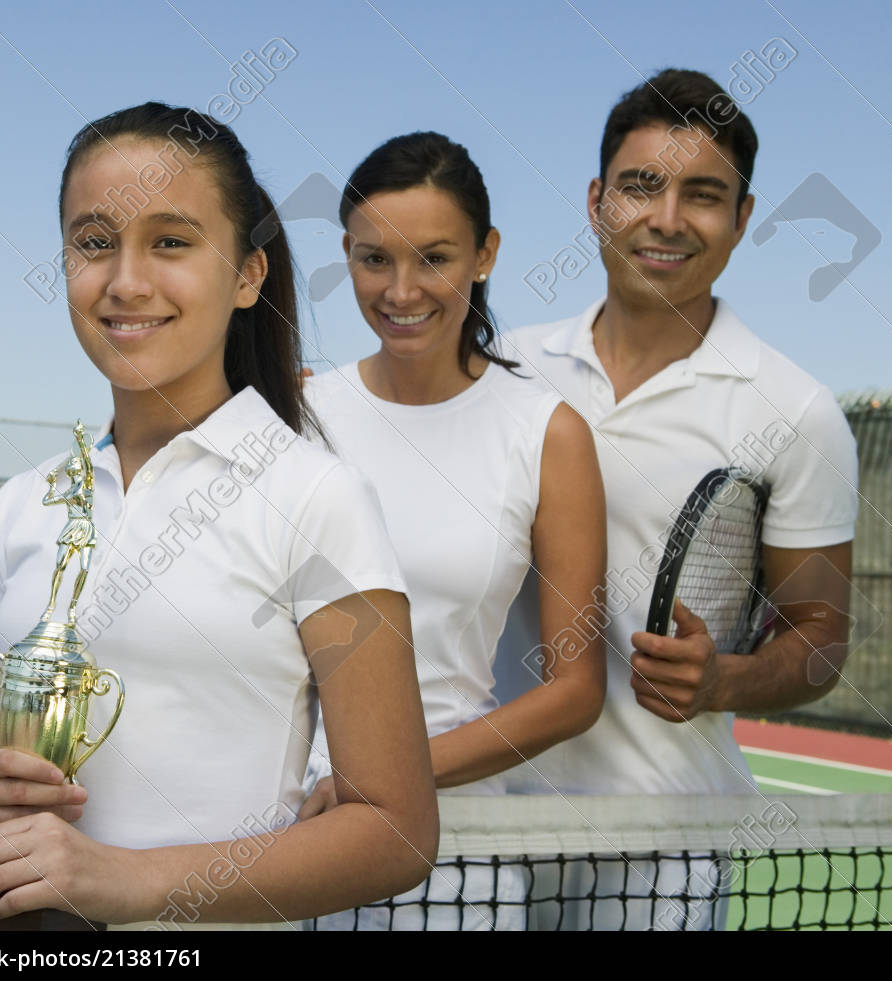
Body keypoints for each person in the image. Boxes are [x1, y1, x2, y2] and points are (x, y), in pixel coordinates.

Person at [0, 102, 438, 929]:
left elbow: (396, 831)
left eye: (170, 241)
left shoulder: (318, 497)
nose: (125, 281)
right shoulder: (19, 506)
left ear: (247, 275)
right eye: (94, 242)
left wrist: (131, 879)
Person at [495, 69, 860, 928]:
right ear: (596, 201)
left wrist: (724, 677)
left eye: (703, 194)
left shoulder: (796, 411)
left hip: (665, 842)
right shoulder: (504, 371)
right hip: (493, 817)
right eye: (640, 185)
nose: (665, 219)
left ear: (742, 217)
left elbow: (821, 634)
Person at [295, 132, 607, 930]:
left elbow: (575, 690)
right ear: (346, 254)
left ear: (485, 254)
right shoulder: (294, 413)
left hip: (452, 855)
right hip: (277, 836)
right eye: (373, 260)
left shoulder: (548, 433)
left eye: (433, 257)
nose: (402, 291)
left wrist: (386, 776)